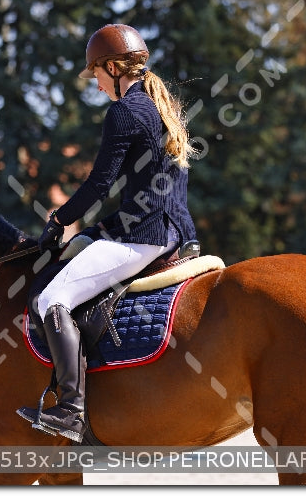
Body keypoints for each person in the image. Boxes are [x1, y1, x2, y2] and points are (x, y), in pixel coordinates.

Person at [17, 24, 198, 442]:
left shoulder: (125, 112)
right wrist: (99, 229)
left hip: (146, 235)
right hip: (172, 229)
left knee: (51, 298)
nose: (97, 87)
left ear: (114, 68)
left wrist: (59, 220)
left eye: (96, 76)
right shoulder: (161, 108)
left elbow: (99, 185)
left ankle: (70, 409)